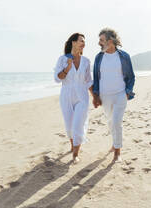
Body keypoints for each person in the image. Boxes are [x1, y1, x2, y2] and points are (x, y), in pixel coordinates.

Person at [92, 28, 135, 162]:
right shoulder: (99, 57)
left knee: (116, 122)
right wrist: (96, 96)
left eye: (101, 40)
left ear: (110, 41)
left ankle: (117, 152)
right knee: (111, 122)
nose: (99, 43)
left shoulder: (124, 56)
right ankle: (114, 142)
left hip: (120, 94)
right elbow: (96, 78)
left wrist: (127, 92)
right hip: (105, 96)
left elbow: (131, 76)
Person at [54, 33, 94, 163]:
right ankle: (73, 145)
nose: (83, 43)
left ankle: (75, 154)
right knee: (69, 126)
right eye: (81, 41)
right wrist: (68, 67)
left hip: (82, 97)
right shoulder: (62, 59)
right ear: (73, 43)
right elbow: (57, 78)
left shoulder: (86, 61)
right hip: (66, 97)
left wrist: (95, 97)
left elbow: (88, 81)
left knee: (78, 125)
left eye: (84, 41)